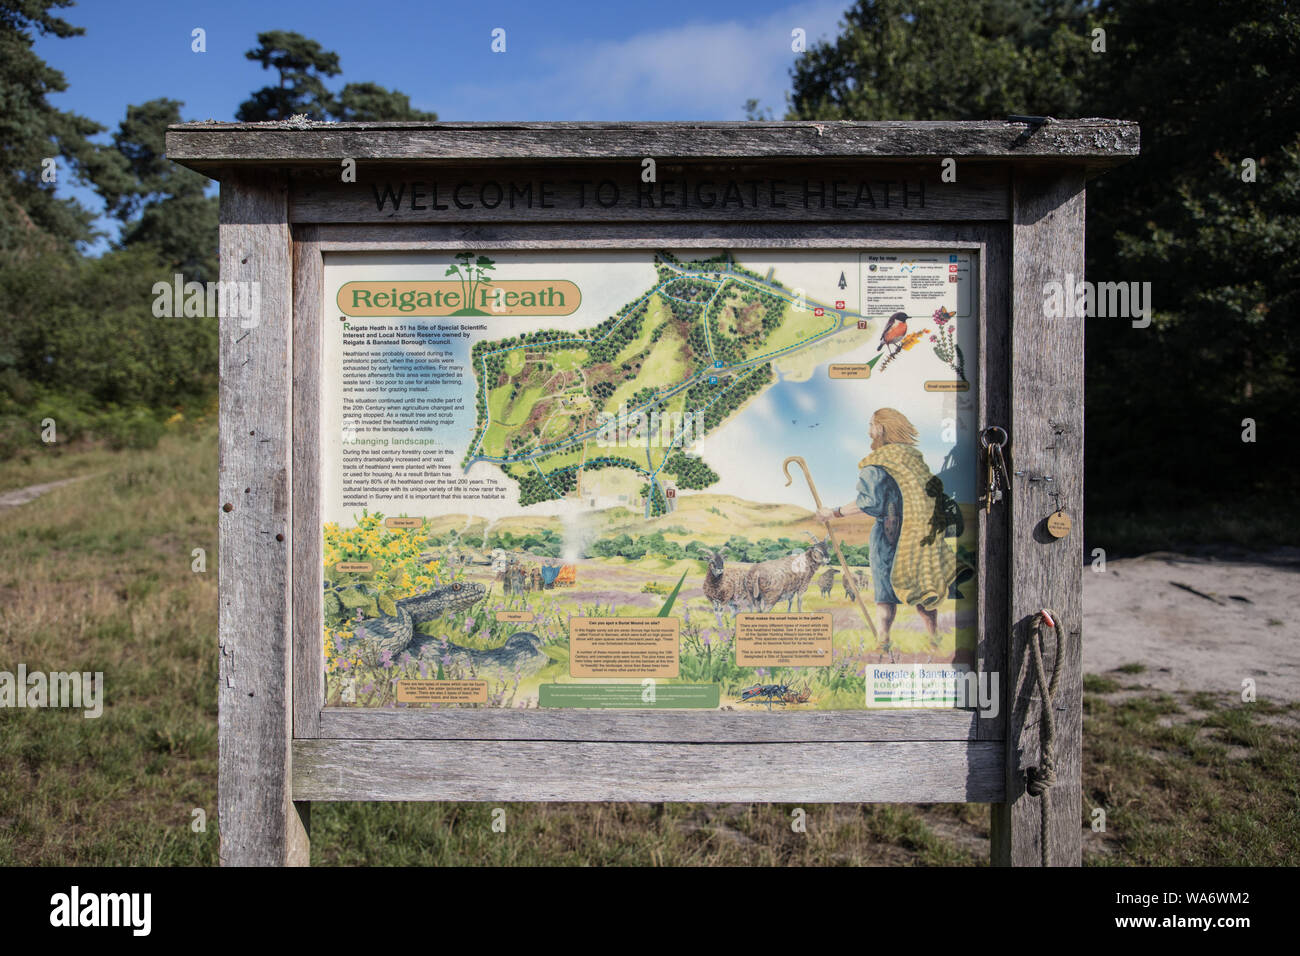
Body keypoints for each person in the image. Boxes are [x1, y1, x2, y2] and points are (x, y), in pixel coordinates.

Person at [815, 408, 958, 651]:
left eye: (871, 424)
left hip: (887, 537)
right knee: (922, 586)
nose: (868, 431)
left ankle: (883, 641)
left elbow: (869, 502)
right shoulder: (913, 460)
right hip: (918, 535)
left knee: (884, 593)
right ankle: (934, 640)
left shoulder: (876, 464)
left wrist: (834, 512)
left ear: (881, 428)